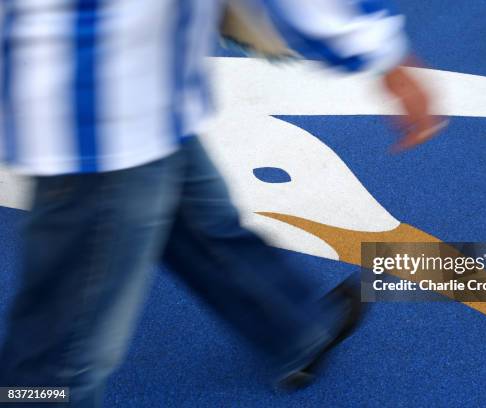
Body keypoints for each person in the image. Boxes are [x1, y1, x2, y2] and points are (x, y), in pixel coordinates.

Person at [0, 0, 442, 406]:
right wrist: (381, 51)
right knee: (60, 353)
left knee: (201, 220)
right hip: (100, 121)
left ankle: (295, 326)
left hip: (143, 93)